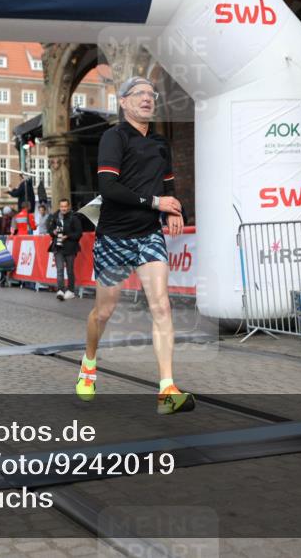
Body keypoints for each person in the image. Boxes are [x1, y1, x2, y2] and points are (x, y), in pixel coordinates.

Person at [78, 76, 192, 415]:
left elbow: (169, 185)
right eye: (138, 93)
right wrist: (157, 203)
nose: (147, 98)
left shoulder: (159, 143)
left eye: (150, 94)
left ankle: (167, 390)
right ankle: (88, 363)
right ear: (124, 102)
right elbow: (108, 188)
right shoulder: (114, 137)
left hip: (148, 236)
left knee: (161, 307)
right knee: (105, 311)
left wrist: (176, 208)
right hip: (114, 235)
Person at [47, 199, 82, 300]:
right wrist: (52, 232)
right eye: (62, 206)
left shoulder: (74, 217)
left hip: (70, 247)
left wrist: (67, 236)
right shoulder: (54, 216)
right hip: (58, 247)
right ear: (59, 206)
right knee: (60, 269)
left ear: (69, 206)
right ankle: (60, 290)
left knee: (70, 270)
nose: (63, 208)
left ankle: (70, 291)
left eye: (65, 206)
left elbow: (79, 233)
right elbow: (50, 230)